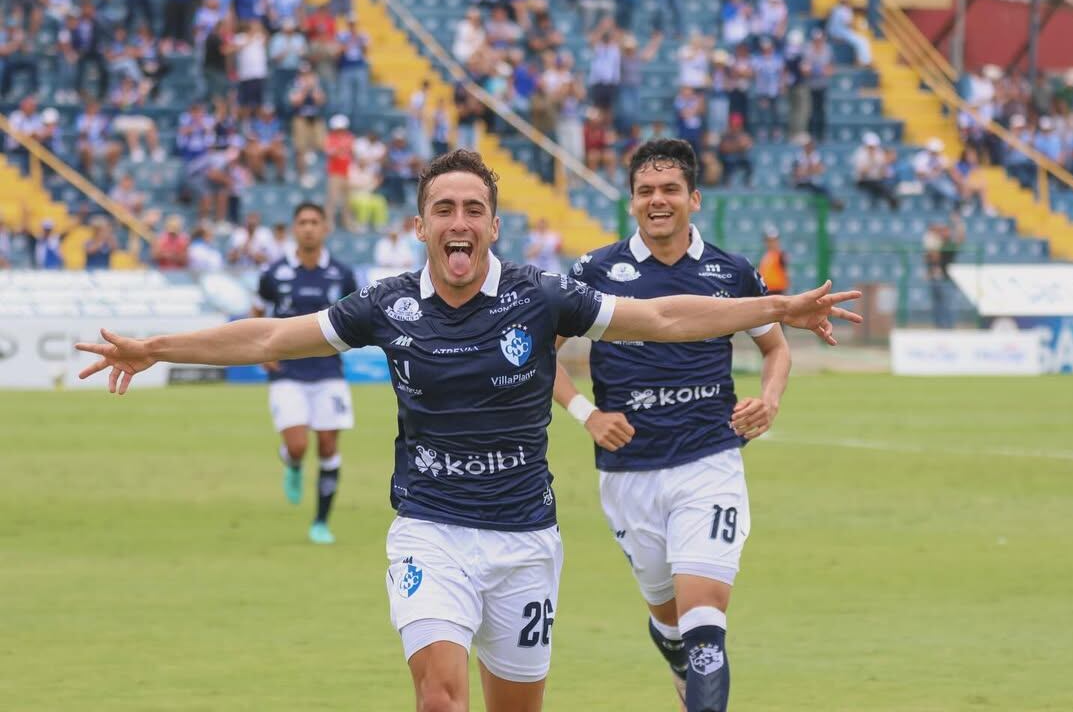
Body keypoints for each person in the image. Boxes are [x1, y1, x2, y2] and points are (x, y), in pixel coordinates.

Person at [74, 150, 861, 712]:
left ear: (492, 225)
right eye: (444, 209)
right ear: (421, 226)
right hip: (430, 535)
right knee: (440, 697)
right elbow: (271, 338)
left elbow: (660, 317)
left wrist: (777, 307)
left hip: (524, 544)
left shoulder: (541, 296)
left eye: (473, 209)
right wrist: (155, 347)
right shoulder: (387, 305)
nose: (459, 222)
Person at [555, 140, 792, 712]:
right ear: (632, 202)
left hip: (709, 462)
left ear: (693, 198)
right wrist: (586, 414)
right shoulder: (594, 271)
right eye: (645, 192)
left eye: (669, 190)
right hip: (628, 473)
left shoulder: (730, 271)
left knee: (704, 621)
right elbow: (538, 356)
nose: (657, 201)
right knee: (669, 618)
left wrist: (769, 399)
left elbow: (776, 347)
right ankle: (672, 649)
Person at [251, 203, 359, 544]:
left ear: (326, 227)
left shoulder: (341, 273)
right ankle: (292, 463)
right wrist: (261, 351)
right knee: (298, 445)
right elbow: (256, 311)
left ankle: (321, 522)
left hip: (328, 369)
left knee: (328, 445)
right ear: (294, 229)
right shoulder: (275, 273)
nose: (309, 228)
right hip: (287, 371)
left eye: (315, 222)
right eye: (303, 222)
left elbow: (356, 317)